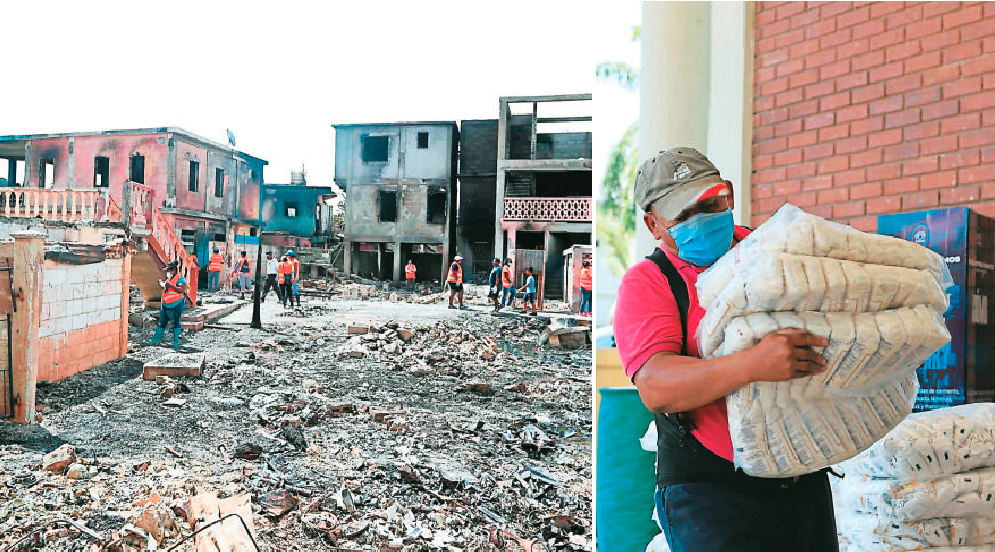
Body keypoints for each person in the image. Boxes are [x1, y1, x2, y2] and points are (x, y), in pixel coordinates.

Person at [612, 147, 835, 552]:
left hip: (802, 474)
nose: (702, 219)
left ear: (728, 194)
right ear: (653, 224)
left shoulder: (767, 250)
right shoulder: (649, 283)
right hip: (712, 491)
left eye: (712, 203)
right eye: (684, 215)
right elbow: (657, 387)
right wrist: (753, 364)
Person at [146, 261, 187, 349]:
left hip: (176, 304)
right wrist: (162, 284)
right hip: (165, 304)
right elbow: (167, 290)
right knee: (162, 323)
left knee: (176, 322)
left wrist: (171, 286)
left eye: (169, 271)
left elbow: (181, 290)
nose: (167, 273)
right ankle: (155, 340)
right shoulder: (169, 279)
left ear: (173, 270)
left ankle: (176, 342)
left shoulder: (180, 279)